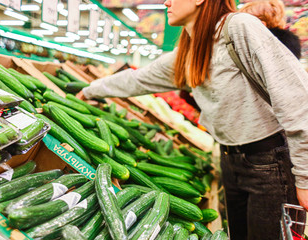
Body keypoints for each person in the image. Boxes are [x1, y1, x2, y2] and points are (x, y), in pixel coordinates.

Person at [81, 0, 308, 239]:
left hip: (270, 163)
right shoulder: (192, 49)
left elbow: (296, 100)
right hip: (231, 159)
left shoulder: (239, 27)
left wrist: (304, 177)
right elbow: (140, 79)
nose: (167, 2)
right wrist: (90, 90)